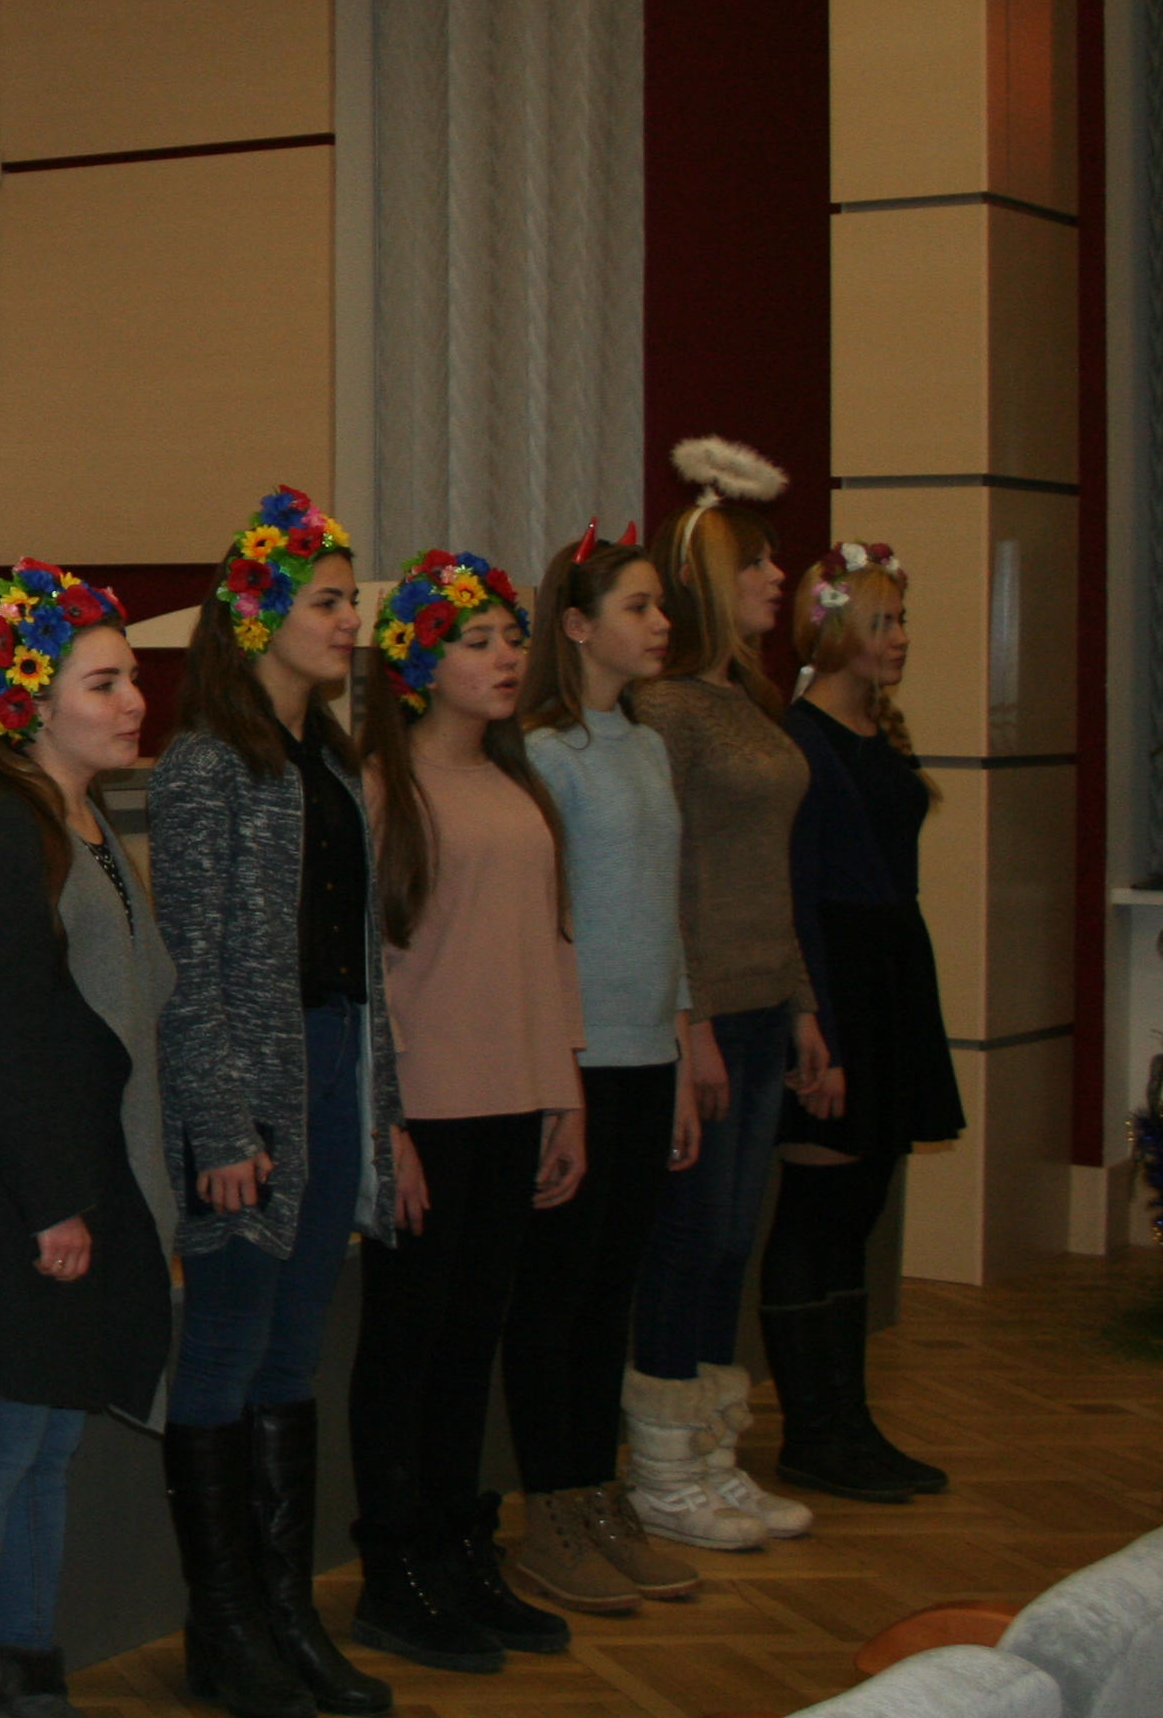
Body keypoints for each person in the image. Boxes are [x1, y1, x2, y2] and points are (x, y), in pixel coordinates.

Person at [149, 488, 396, 1718]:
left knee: (294, 1347)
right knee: (229, 1343)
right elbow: (191, 963)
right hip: (252, 1080)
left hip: (333, 1061)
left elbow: (358, 955)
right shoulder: (209, 762)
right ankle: (228, 1626)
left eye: (352, 601)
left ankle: (286, 1612)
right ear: (257, 618)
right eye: (329, 601)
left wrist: (381, 1110)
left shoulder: (331, 759)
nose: (352, 622)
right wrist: (222, 1119)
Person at [0, 564, 173, 1718]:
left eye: (132, 680)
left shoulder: (86, 820)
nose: (133, 703)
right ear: (29, 703)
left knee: (52, 1447)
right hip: (25, 1200)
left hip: (83, 1185)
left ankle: (28, 1666)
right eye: (104, 684)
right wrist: (55, 1200)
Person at [342, 551, 584, 1678]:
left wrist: (564, 1095)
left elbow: (550, 953)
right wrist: (386, 1125)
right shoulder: (381, 791)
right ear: (418, 664)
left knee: (474, 1338)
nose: (505, 657)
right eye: (477, 641)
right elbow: (370, 977)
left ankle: (456, 1544)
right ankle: (394, 1567)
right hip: (428, 1111)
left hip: (513, 1097)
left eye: (511, 638)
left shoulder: (519, 784)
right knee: (409, 1343)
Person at [620, 438, 823, 1552]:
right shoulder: (666, 711)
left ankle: (711, 1452)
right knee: (690, 1238)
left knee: (732, 1241)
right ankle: (662, 1467)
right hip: (698, 1018)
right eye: (758, 563)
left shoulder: (746, 701)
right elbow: (664, 880)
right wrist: (687, 1021)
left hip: (758, 1004)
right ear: (709, 579)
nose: (777, 579)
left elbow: (768, 875)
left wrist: (800, 1004)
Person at [503, 529, 706, 1612]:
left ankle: (595, 1493)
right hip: (579, 1061)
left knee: (610, 1292)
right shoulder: (545, 753)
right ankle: (550, 1512)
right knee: (559, 1293)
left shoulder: (646, 745)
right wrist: (558, 1078)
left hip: (645, 1052)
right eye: (638, 607)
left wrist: (680, 1038)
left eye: (661, 605)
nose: (660, 624)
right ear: (577, 626)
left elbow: (662, 909)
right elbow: (546, 929)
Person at [760, 542, 964, 1504]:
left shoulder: (874, 730)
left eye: (901, 621)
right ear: (839, 631)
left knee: (861, 1209)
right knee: (819, 1211)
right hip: (838, 984)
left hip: (889, 977)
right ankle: (813, 1430)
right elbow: (798, 899)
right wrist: (820, 1028)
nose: (901, 638)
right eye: (884, 622)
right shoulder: (801, 741)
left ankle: (851, 1421)